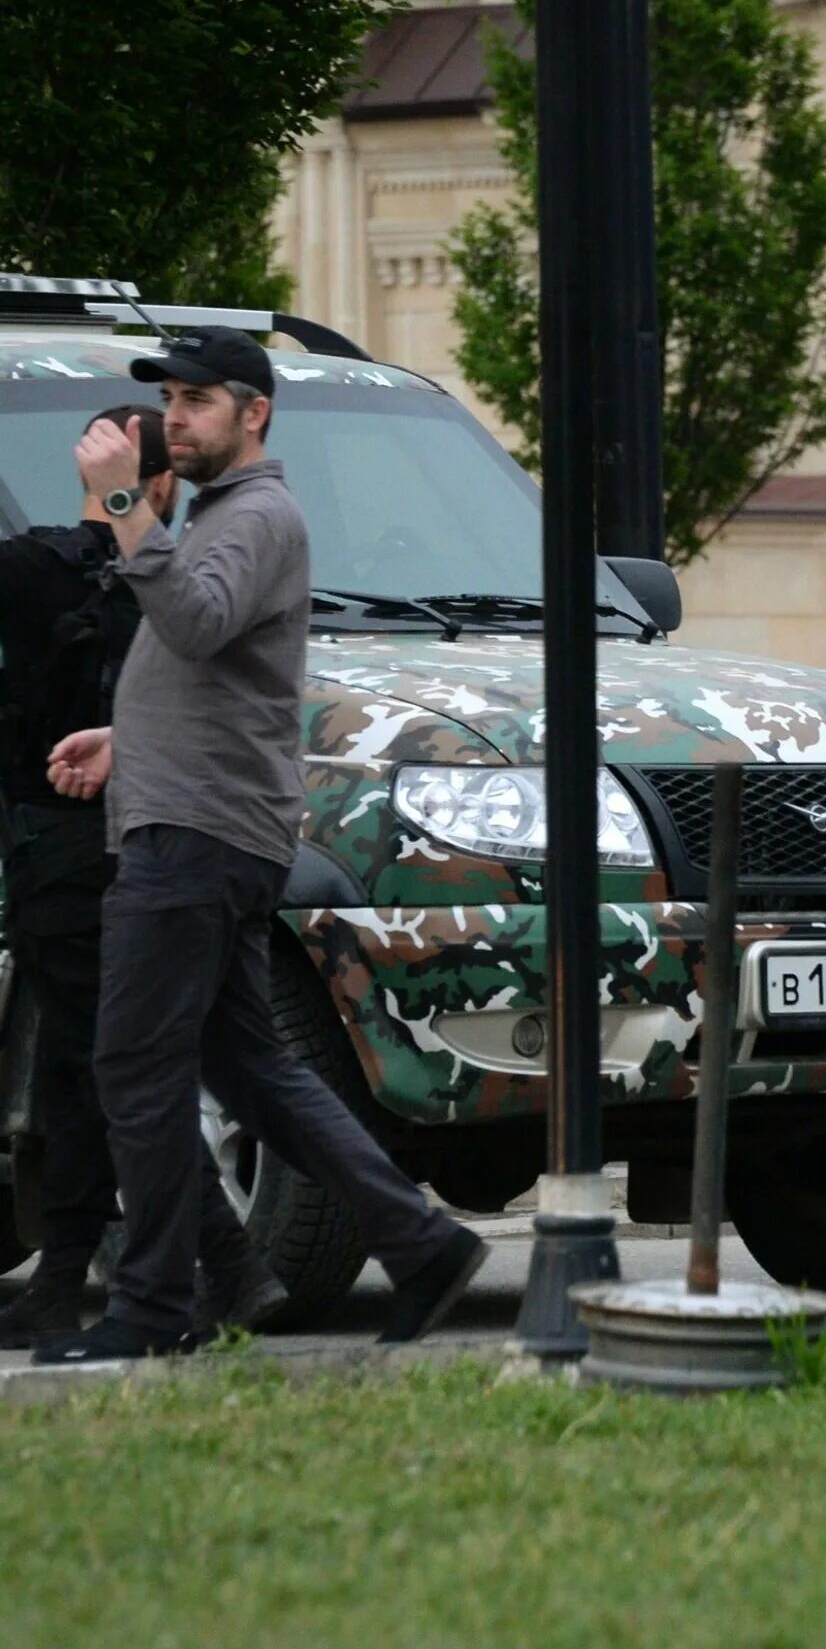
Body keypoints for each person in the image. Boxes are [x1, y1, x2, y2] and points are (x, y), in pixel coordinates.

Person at [33, 328, 487, 1364]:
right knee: (254, 1071)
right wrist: (127, 738)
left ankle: (152, 1309)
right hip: (198, 824)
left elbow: (192, 622)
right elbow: (218, 670)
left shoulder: (257, 516)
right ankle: (422, 1243)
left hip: (193, 845)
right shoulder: (222, 518)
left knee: (132, 1068)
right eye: (172, 401)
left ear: (255, 414)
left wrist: (115, 506)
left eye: (197, 401)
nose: (176, 419)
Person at [0, 406, 285, 1347]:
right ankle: (63, 1277)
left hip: (55, 855)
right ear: (163, 483)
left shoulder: (33, 568)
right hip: (152, 848)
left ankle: (230, 1266)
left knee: (114, 1075)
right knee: (79, 1074)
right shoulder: (181, 585)